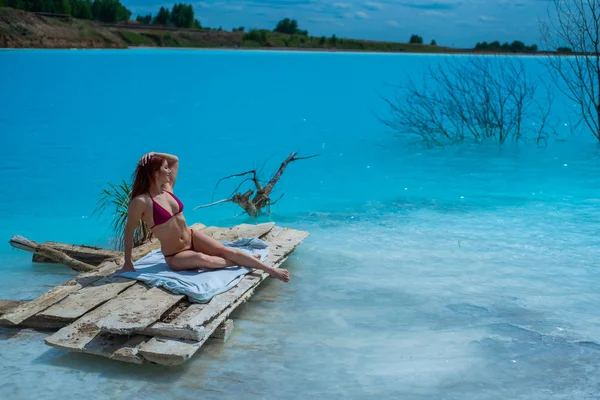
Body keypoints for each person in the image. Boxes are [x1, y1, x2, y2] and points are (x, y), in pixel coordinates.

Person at [117, 151, 290, 283]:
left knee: (226, 250)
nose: (169, 171)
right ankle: (241, 262)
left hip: (191, 236)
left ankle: (270, 270)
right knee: (203, 260)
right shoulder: (141, 202)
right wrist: (127, 262)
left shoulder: (167, 188)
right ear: (154, 172)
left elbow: (175, 159)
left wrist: (153, 153)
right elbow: (129, 231)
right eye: (164, 168)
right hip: (175, 254)